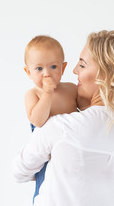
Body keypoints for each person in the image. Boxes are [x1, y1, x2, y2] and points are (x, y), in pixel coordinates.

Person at [13, 30, 114, 206]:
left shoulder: (62, 127)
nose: (73, 70)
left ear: (106, 74)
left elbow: (20, 171)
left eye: (82, 65)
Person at [23, 35, 80, 202]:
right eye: (39, 69)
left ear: (63, 68)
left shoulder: (71, 89)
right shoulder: (33, 94)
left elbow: (88, 113)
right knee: (46, 191)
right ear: (28, 72)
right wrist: (47, 94)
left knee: (71, 191)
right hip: (46, 155)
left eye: (53, 67)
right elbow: (38, 121)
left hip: (70, 150)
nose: (46, 74)